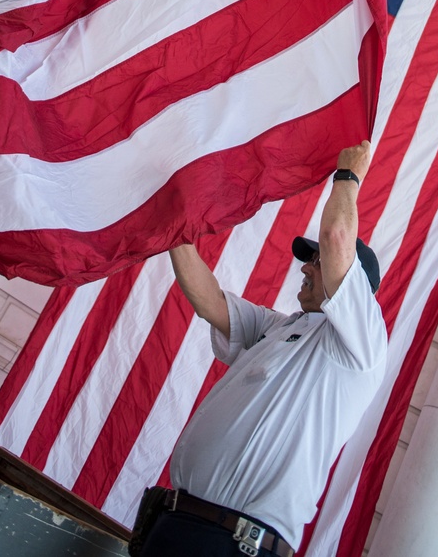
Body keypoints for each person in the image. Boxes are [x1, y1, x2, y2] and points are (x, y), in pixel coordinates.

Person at [137, 141, 386, 556]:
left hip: (237, 543)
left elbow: (338, 235)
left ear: (352, 284)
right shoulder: (280, 327)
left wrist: (349, 176)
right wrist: (175, 229)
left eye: (318, 260)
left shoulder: (361, 345)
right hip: (178, 523)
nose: (306, 266)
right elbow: (211, 302)